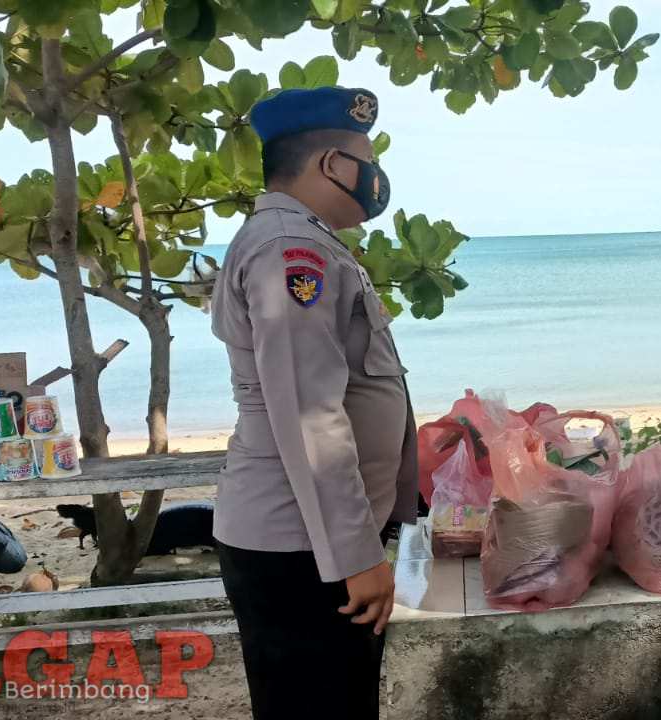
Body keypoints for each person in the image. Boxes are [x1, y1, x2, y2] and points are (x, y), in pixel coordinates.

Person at [209, 86, 417, 720]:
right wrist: (357, 558)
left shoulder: (305, 241)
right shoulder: (288, 252)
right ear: (332, 164)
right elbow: (308, 413)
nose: (376, 173)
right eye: (366, 155)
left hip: (312, 540)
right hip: (301, 548)